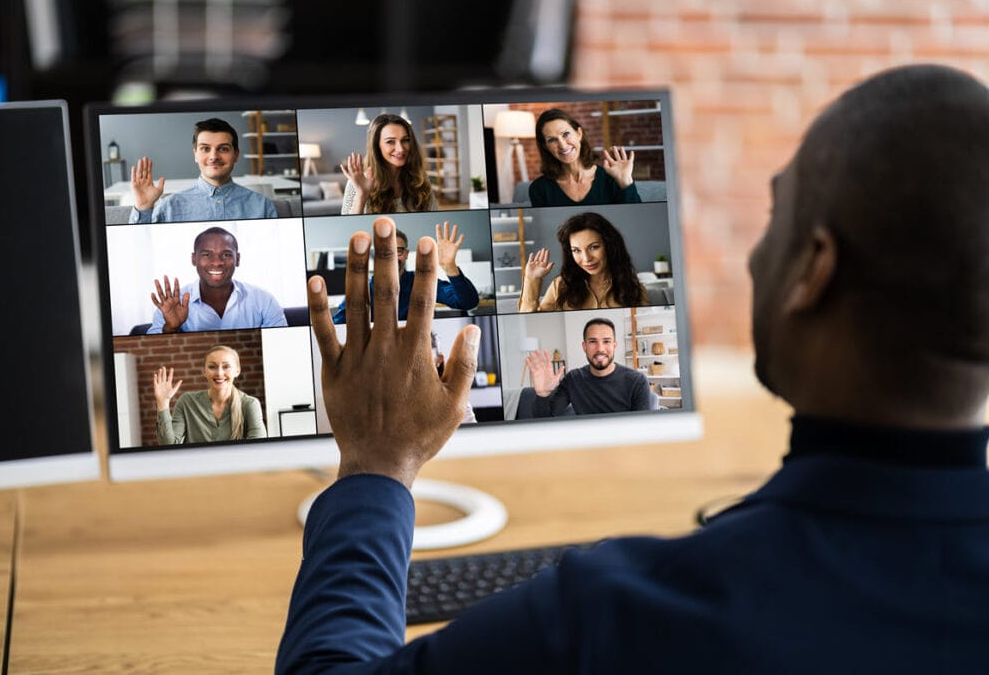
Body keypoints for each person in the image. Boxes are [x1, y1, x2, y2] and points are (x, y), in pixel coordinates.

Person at [276, 65, 989, 673]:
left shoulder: (622, 612)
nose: (752, 254)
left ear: (815, 270)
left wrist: (376, 460)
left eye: (777, 215)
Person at [128, 117, 278, 224]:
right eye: (205, 149)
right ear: (195, 155)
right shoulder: (168, 207)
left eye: (223, 149)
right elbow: (140, 250)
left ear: (236, 155)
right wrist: (143, 208)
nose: (214, 156)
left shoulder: (263, 206)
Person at [147, 226, 287, 333]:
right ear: (193, 259)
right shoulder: (171, 305)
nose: (217, 262)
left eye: (226, 255)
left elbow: (283, 344)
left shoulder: (263, 300)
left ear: (237, 259)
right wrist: (171, 328)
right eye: (207, 255)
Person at [331, 223, 479, 323]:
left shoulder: (423, 282)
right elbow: (338, 325)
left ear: (407, 254)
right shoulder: (361, 290)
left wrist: (450, 267)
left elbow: (468, 302)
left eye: (398, 251)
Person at [518, 211, 649, 312]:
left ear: (610, 245)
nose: (586, 259)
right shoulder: (560, 286)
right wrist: (532, 280)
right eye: (576, 250)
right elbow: (530, 324)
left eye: (593, 247)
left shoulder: (634, 289)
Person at [525, 317, 654, 417]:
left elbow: (643, 430)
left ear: (614, 345)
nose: (600, 349)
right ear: (584, 346)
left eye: (606, 341)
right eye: (593, 342)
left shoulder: (637, 381)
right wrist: (543, 394)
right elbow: (545, 419)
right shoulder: (573, 379)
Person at [527, 107, 642, 208]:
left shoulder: (612, 179)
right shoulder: (539, 189)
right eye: (552, 140)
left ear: (579, 134)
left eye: (566, 134)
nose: (562, 145)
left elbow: (638, 219)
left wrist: (625, 181)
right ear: (546, 147)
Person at [152, 345, 267, 445]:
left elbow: (257, 449)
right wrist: (162, 404)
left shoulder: (249, 404)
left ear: (237, 371)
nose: (219, 373)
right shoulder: (187, 402)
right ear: (205, 372)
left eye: (226, 366)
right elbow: (169, 445)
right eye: (212, 367)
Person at [340, 113, 439, 214]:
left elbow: (435, 215)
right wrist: (362, 195)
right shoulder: (357, 183)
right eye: (390, 142)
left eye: (405, 140)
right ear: (377, 146)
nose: (400, 149)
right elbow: (348, 228)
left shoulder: (420, 178)